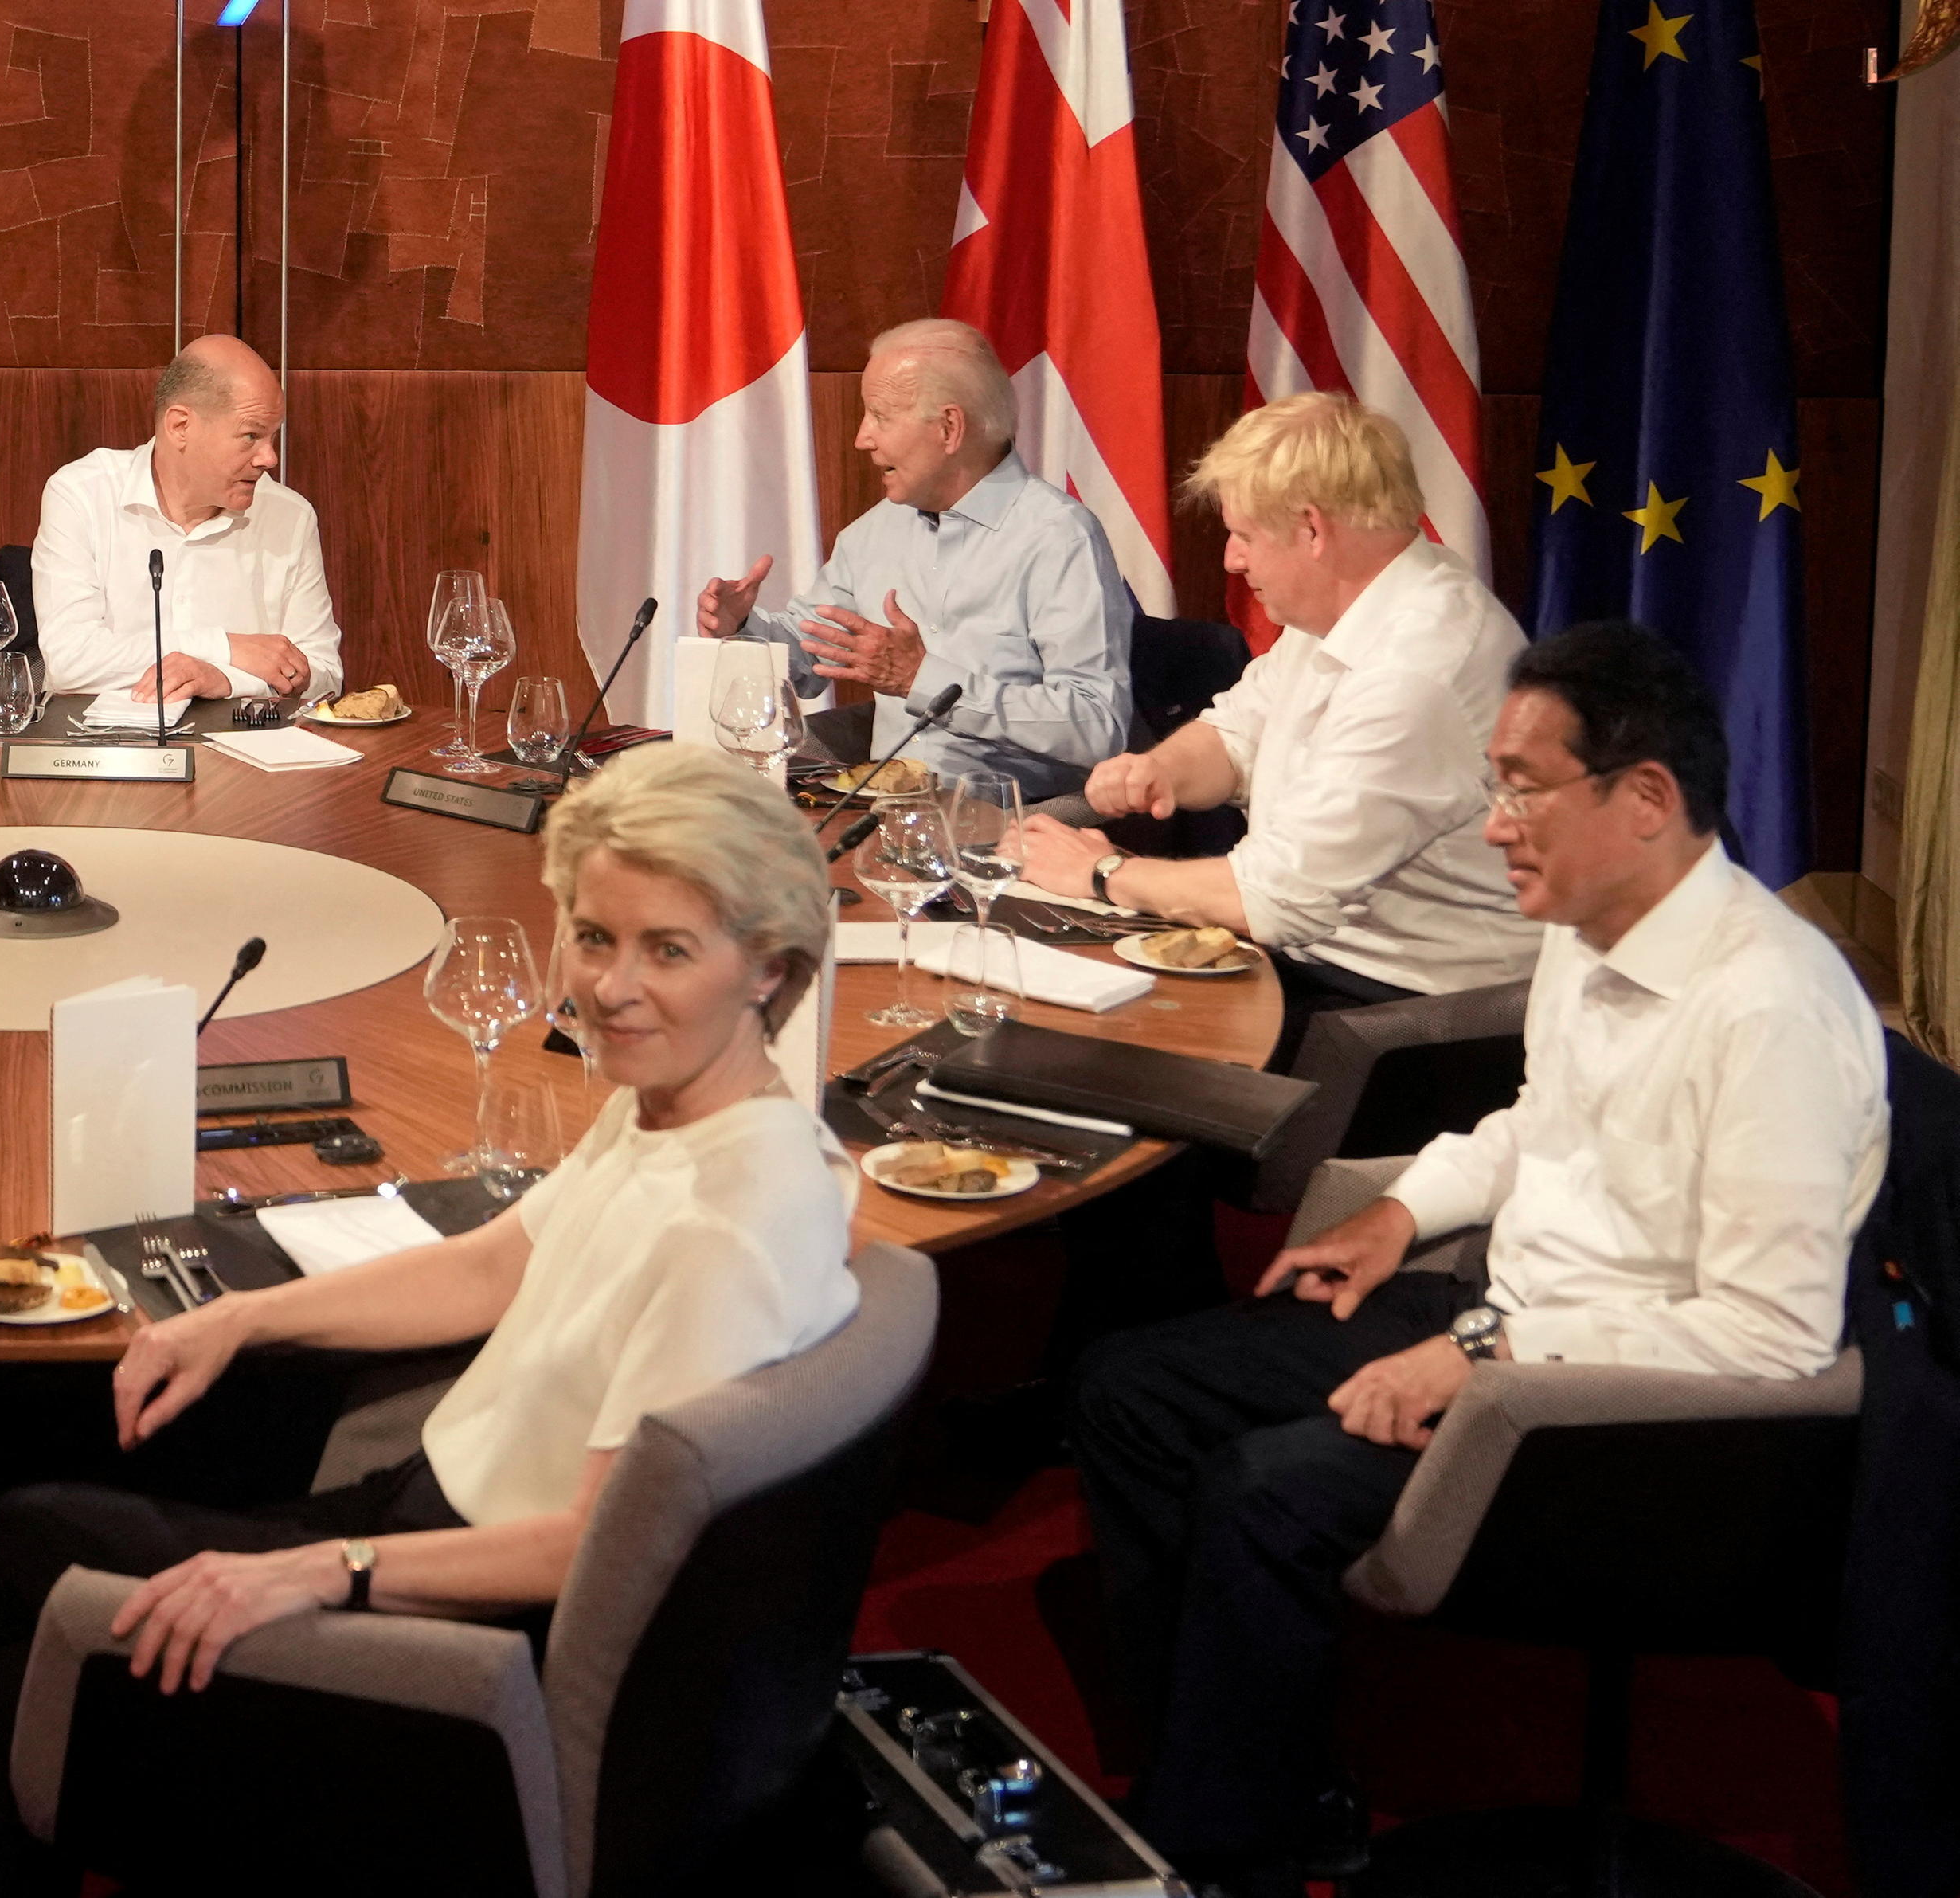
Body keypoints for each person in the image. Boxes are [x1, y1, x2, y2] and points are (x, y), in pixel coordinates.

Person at [0, 742, 858, 1896]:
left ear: (769, 966)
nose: (610, 986)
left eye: (667, 948)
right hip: (428, 1504)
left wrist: (324, 1570)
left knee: (8, 1629)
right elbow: (486, 1267)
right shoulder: (674, 1105)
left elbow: (603, 1546)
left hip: (472, 1637)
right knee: (21, 1552)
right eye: (595, 934)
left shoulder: (731, 1219)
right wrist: (238, 1317)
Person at [1066, 622, 1886, 1896]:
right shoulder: (1589, 924)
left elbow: (1768, 1336)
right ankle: (1242, 1763)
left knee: (1261, 1489)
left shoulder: (1770, 1005)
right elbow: (1533, 1126)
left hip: (1635, 1423)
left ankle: (1232, 1841)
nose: (1493, 818)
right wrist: (1403, 1212)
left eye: (1520, 783)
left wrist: (1480, 1358)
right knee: (1130, 1389)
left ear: (1647, 798)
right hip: (1508, 1320)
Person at [1012, 392, 1536, 1056]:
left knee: (1096, 1066)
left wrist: (1101, 871)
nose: (1232, 559)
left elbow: (1273, 898)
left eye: (1245, 535)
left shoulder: (1419, 668)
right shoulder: (1354, 607)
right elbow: (1237, 731)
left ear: (1313, 530)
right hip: (1313, 967)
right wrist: (1161, 769)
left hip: (1409, 1025)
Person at [693, 316, 1131, 798]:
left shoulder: (1059, 537)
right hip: (879, 813)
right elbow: (811, 655)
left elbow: (1096, 726)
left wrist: (924, 679)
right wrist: (741, 629)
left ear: (948, 428)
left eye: (880, 416)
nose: (862, 437)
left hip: (1011, 823)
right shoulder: (873, 532)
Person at [27, 335, 342, 706]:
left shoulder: (290, 515)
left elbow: (324, 674)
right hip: (106, 751)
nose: (269, 458)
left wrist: (222, 679)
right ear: (180, 426)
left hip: (243, 752)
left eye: (273, 437)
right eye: (251, 436)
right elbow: (70, 661)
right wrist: (225, 647)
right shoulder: (82, 493)